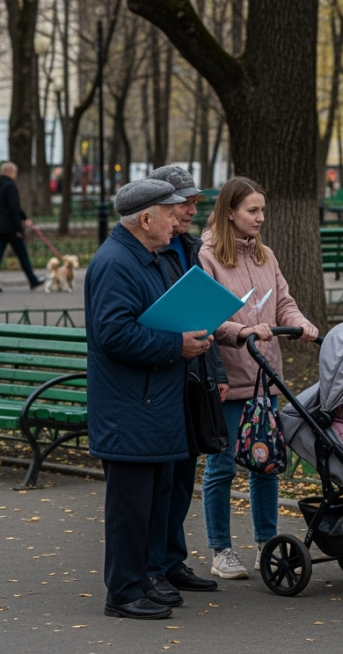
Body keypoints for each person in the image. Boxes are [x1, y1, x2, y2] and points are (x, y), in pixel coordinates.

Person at [84, 178, 212, 620]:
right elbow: (114, 334)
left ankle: (140, 583)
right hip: (130, 408)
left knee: (149, 506)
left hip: (151, 403)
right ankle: (122, 593)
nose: (176, 222)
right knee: (130, 509)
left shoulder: (146, 258)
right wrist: (177, 345)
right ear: (145, 218)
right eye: (170, 213)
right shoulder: (116, 263)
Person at [198, 175, 319, 580]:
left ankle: (267, 543)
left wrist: (300, 323)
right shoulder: (208, 257)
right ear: (230, 212)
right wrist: (242, 331)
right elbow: (209, 318)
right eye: (253, 210)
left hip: (266, 377)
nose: (261, 217)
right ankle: (221, 549)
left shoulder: (266, 256)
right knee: (222, 467)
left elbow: (283, 302)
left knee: (266, 465)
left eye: (262, 209)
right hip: (229, 379)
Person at [140, 165, 224, 601]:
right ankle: (152, 566)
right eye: (184, 203)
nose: (192, 211)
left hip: (192, 375)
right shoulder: (149, 251)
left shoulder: (188, 248)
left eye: (193, 203)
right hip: (160, 378)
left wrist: (218, 373)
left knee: (182, 477)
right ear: (161, 207)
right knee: (162, 480)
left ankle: (172, 561)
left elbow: (202, 315)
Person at [0, 162, 43, 292]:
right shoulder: (10, 186)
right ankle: (33, 280)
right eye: (15, 173)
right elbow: (14, 208)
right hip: (11, 228)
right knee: (23, 255)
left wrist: (24, 217)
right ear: (11, 172)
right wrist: (20, 227)